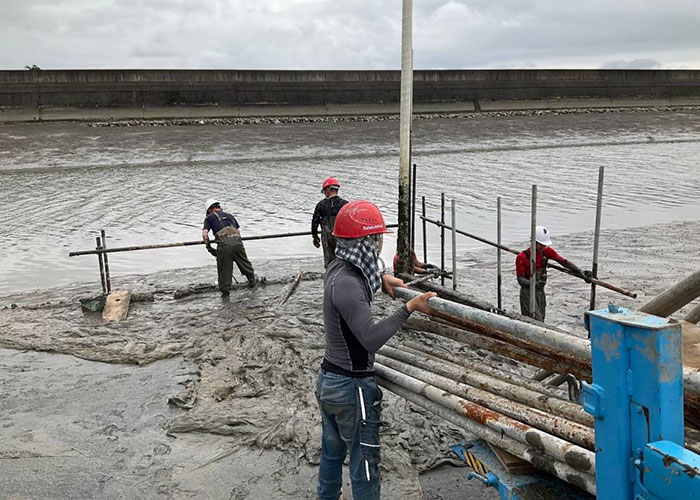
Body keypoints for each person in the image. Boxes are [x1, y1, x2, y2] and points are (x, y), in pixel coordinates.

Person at [316, 200, 436, 500]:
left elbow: (361, 276)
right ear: (368, 240)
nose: (380, 244)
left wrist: (383, 280)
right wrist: (409, 307)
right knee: (365, 463)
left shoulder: (337, 269)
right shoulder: (348, 284)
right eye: (378, 238)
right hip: (351, 386)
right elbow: (370, 338)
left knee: (332, 452)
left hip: (329, 381)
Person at [515, 225, 591, 321]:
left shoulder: (546, 252)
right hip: (527, 292)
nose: (543, 247)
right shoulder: (522, 257)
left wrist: (580, 272)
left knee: (541, 319)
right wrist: (534, 284)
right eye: (541, 245)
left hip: (540, 291)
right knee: (533, 320)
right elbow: (520, 279)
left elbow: (564, 262)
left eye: (544, 245)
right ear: (533, 242)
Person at [201, 199, 257, 294]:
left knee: (224, 270)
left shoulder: (209, 217)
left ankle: (225, 292)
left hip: (224, 246)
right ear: (219, 207)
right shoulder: (230, 216)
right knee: (245, 264)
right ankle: (252, 282)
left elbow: (205, 234)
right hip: (238, 243)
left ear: (210, 210)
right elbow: (238, 231)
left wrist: (209, 247)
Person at [311, 177, 348, 268]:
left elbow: (314, 222)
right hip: (343, 236)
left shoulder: (321, 205)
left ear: (328, 189)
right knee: (344, 259)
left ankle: (330, 278)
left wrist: (315, 237)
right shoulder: (345, 204)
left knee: (329, 262)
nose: (324, 193)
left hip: (327, 236)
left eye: (324, 191)